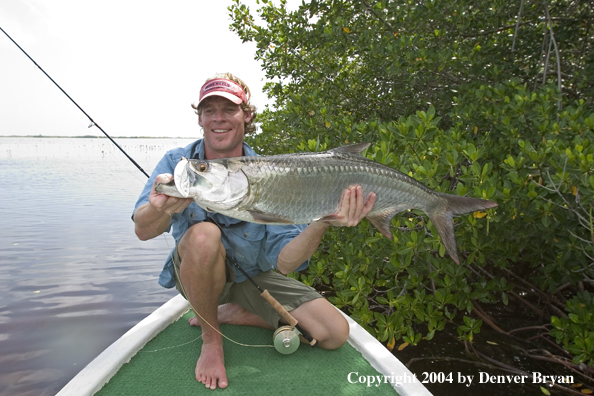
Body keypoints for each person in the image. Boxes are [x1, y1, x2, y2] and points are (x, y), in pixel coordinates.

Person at [132, 73, 376, 390]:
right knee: (204, 235)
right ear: (200, 118)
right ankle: (211, 339)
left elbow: (286, 264)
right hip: (198, 274)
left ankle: (233, 310)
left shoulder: (274, 174)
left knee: (333, 333)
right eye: (210, 110)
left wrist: (322, 222)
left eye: (229, 109)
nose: (218, 118)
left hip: (252, 276)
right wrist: (159, 209)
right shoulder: (180, 163)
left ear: (246, 115)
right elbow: (142, 230)